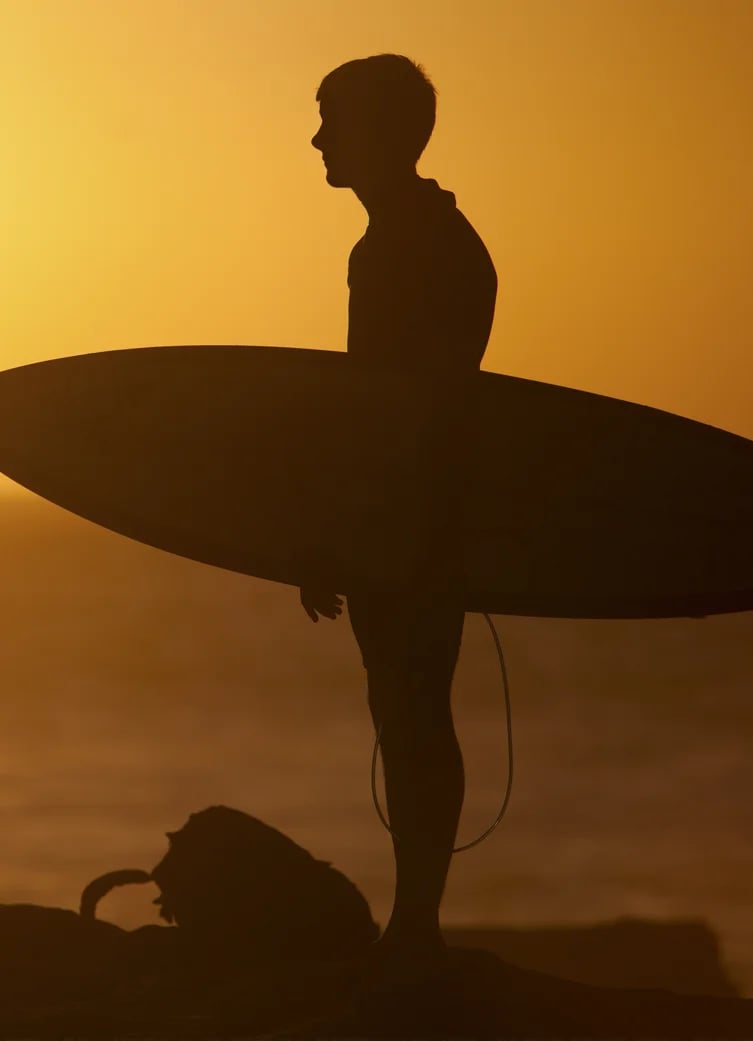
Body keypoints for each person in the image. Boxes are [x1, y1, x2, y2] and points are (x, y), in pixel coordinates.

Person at [300, 54, 497, 987]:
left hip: (413, 522)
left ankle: (416, 926)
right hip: (422, 517)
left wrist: (341, 532)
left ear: (381, 133)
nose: (317, 139)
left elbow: (394, 415)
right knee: (408, 706)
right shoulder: (417, 236)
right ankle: (413, 921)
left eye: (330, 120)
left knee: (412, 710)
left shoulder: (405, 248)